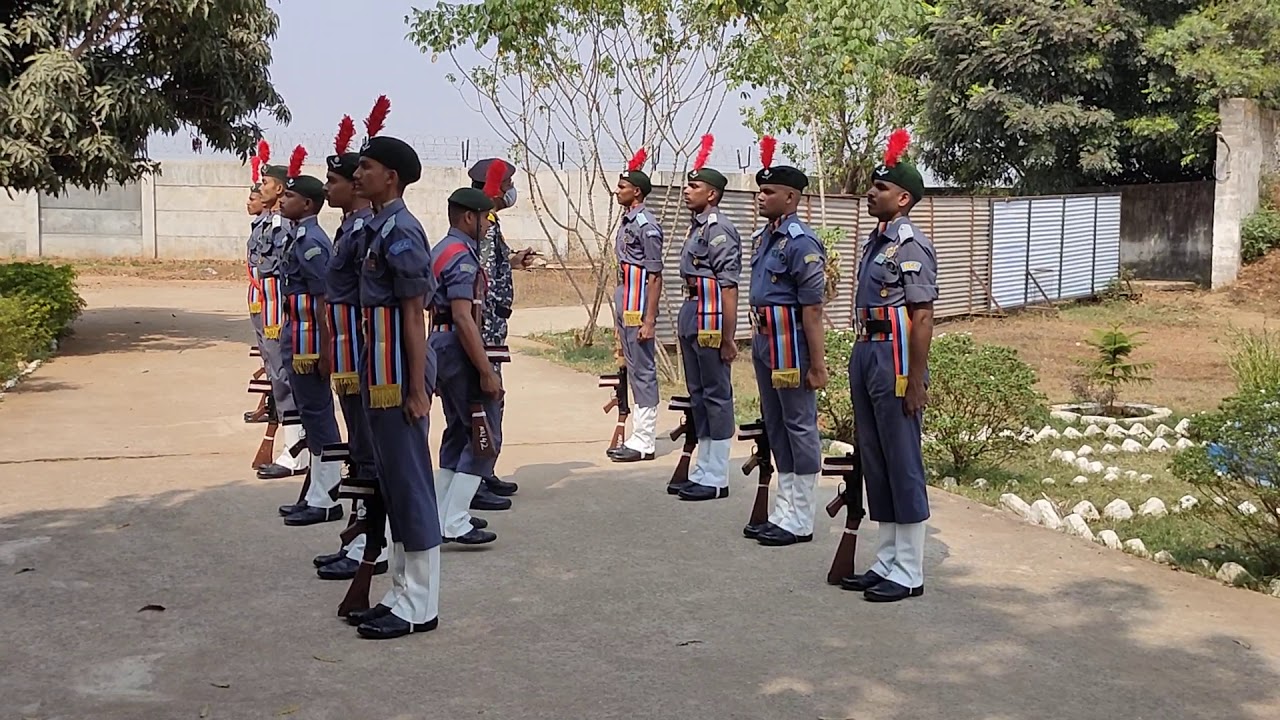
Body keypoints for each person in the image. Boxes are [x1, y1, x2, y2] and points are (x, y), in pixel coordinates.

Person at [345, 133, 442, 640]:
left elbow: (412, 318)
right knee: (393, 488)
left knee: (410, 488)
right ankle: (401, 592)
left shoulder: (402, 231)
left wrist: (417, 389)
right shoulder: (374, 228)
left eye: (366, 167)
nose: (358, 175)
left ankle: (420, 604)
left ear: (391, 177)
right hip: (377, 376)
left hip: (399, 380)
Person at [839, 130, 936, 603]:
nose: (871, 193)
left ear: (903, 199)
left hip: (895, 356)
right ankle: (886, 560)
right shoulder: (873, 243)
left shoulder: (911, 245)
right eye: (872, 186)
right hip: (866, 352)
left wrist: (916, 379)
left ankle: (910, 570)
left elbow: (921, 317)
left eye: (881, 188)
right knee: (875, 458)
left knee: (902, 459)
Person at [311, 115, 390, 577]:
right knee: (359, 451)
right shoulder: (350, 229)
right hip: (347, 359)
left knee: (366, 455)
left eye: (335, 180)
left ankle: (368, 548)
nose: (331, 187)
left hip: (362, 359)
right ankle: (359, 543)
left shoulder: (365, 232)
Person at [741, 136, 829, 547]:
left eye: (769, 191)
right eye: (761, 190)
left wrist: (817, 363)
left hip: (790, 344)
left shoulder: (801, 242)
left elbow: (812, 309)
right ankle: (784, 510)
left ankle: (801, 516)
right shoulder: (766, 238)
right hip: (764, 341)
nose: (762, 197)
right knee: (776, 425)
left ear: (791, 197)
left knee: (798, 425)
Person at [275, 146, 345, 527]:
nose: (282, 200)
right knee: (311, 417)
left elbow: (323, 297)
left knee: (320, 418)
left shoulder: (312, 241)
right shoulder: (298, 236)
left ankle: (327, 496)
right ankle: (316, 491)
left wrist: (326, 348)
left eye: (289, 196)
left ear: (308, 204)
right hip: (296, 339)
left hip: (310, 343)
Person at [669, 135, 742, 501]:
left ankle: (717, 475)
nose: (686, 190)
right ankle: (703, 468)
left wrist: (729, 337)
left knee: (716, 394)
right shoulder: (697, 226)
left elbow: (729, 288)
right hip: (693, 313)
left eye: (694, 185)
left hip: (712, 318)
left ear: (711, 194)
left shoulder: (718, 230)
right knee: (698, 393)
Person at [431, 182, 502, 546]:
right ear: (469, 217)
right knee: (482, 434)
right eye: (486, 218)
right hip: (457, 347)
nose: (489, 225)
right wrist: (486, 371)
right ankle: (455, 521)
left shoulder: (442, 249)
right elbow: (462, 316)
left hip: (440, 346)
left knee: (458, 431)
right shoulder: (461, 256)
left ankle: (441, 512)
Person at [467, 157, 521, 511]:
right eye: (505, 185)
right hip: (485, 330)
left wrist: (513, 261)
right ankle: (476, 478)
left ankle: (485, 472)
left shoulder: (491, 224)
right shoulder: (484, 225)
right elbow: (481, 280)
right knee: (484, 401)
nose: (510, 192)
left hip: (493, 328)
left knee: (491, 402)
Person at [252, 155, 309, 480]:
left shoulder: (284, 226)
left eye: (266, 184)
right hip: (266, 302)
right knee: (277, 374)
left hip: (278, 305)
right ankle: (295, 447)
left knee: (285, 377)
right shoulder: (268, 221)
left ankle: (297, 451)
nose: (261, 189)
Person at [608, 148, 664, 463]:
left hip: (639, 303)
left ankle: (645, 440)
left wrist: (650, 320)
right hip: (626, 300)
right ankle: (637, 436)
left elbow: (655, 275)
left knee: (643, 369)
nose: (617, 191)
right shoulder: (628, 220)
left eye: (622, 187)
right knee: (633, 366)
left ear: (637, 192)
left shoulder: (646, 224)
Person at [243, 154, 272, 424]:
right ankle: (268, 404)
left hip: (268, 301)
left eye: (253, 198)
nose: (248, 203)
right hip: (257, 299)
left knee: (274, 360)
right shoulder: (259, 225)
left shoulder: (271, 226)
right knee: (267, 357)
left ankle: (272, 407)